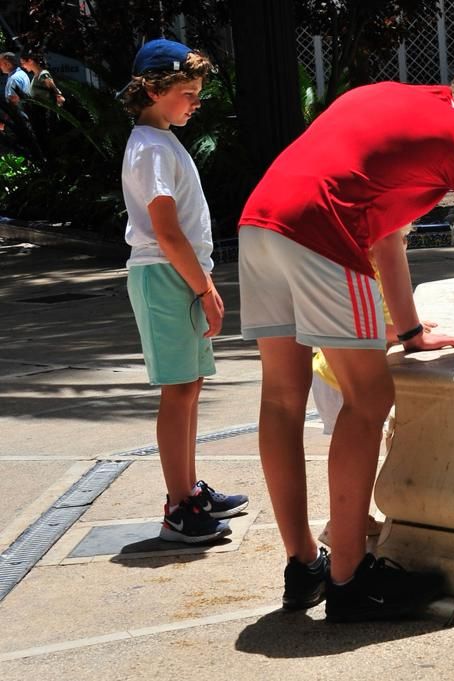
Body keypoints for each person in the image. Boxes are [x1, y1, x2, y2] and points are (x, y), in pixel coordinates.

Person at [237, 66, 454, 622]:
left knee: (281, 398)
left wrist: (409, 333)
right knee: (369, 400)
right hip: (320, 230)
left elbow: (385, 239)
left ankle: (303, 565)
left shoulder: (385, 98)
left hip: (259, 223)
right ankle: (351, 579)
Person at [119, 38, 248, 544]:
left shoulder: (162, 140)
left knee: (189, 385)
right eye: (187, 92)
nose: (196, 102)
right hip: (165, 275)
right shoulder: (149, 147)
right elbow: (166, 231)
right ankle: (179, 507)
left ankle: (188, 491)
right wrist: (205, 287)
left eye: (198, 93)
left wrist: (201, 282)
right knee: (178, 390)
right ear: (152, 89)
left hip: (178, 274)